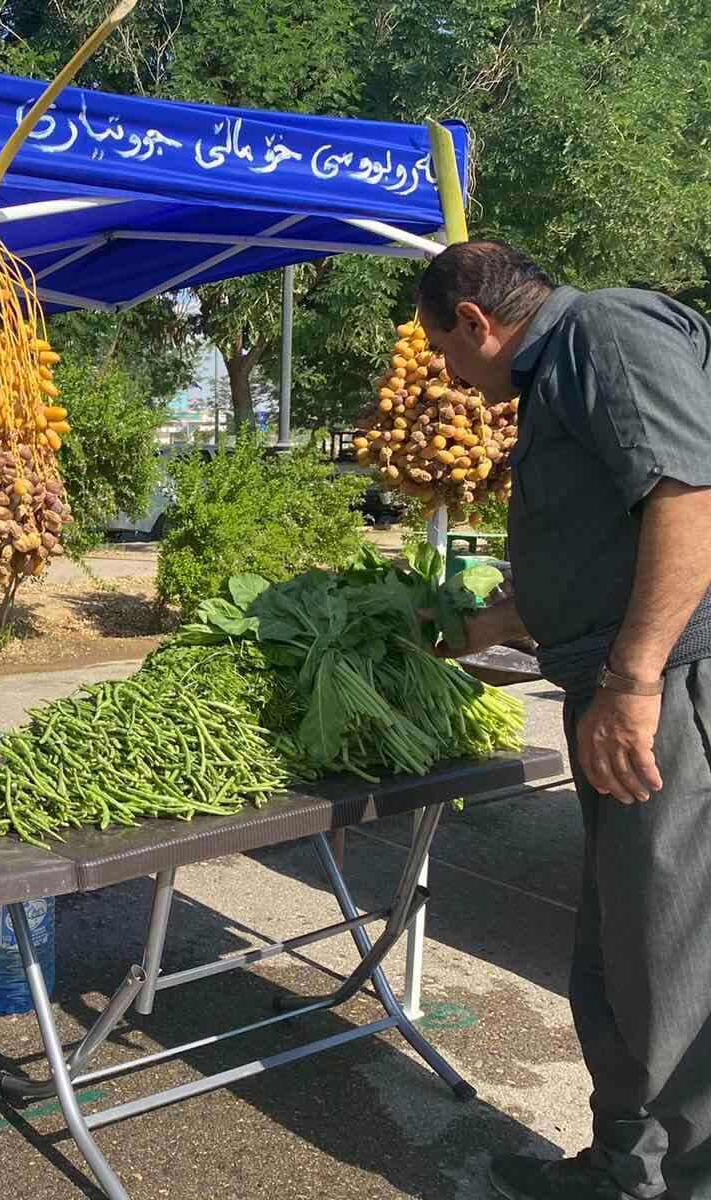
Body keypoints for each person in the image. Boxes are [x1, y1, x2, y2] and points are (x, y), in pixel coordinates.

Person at [414, 241, 711, 1200]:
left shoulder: (605, 332)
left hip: (666, 683)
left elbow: (689, 499)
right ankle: (629, 1169)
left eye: (450, 356)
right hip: (624, 680)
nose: (456, 380)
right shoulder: (560, 373)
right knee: (624, 944)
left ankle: (673, 1183)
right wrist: (492, 623)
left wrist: (631, 683)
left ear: (475, 321)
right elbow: (598, 549)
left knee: (668, 947)